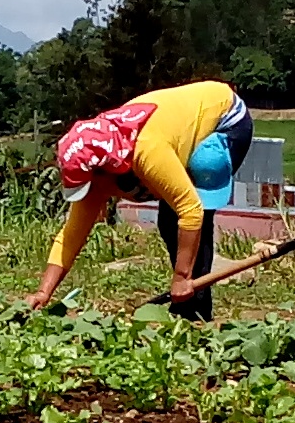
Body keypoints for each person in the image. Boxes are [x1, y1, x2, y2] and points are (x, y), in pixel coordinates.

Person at [27, 80, 252, 320]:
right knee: (169, 222)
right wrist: (43, 292)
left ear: (105, 170)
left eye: (89, 185)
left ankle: (195, 310)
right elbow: (71, 235)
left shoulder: (146, 151)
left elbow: (192, 211)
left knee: (182, 213)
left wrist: (181, 276)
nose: (91, 194)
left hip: (225, 117)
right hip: (173, 127)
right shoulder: (97, 165)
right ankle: (189, 304)